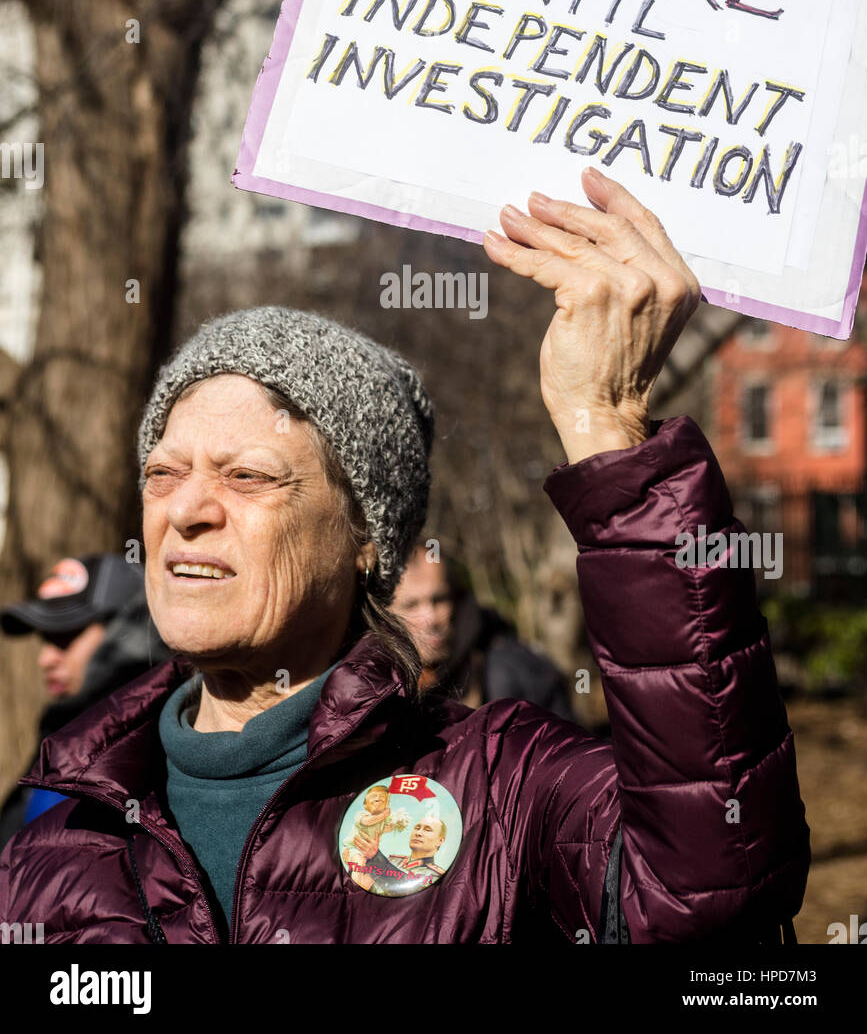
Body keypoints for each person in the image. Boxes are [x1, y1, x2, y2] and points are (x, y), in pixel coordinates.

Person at [0, 173, 810, 943]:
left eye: (247, 476)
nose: (185, 511)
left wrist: (604, 422)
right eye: (163, 473)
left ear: (365, 538)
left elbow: (710, 891)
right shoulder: (53, 837)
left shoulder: (504, 789)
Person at [0, 554, 169, 847]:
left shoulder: (162, 745)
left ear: (125, 631)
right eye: (45, 640)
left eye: (66, 637)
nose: (45, 659)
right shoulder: (65, 732)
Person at [392, 540, 574, 716]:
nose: (430, 618)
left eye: (440, 600)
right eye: (411, 605)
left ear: (456, 599)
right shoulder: (376, 687)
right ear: (384, 614)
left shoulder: (514, 672)